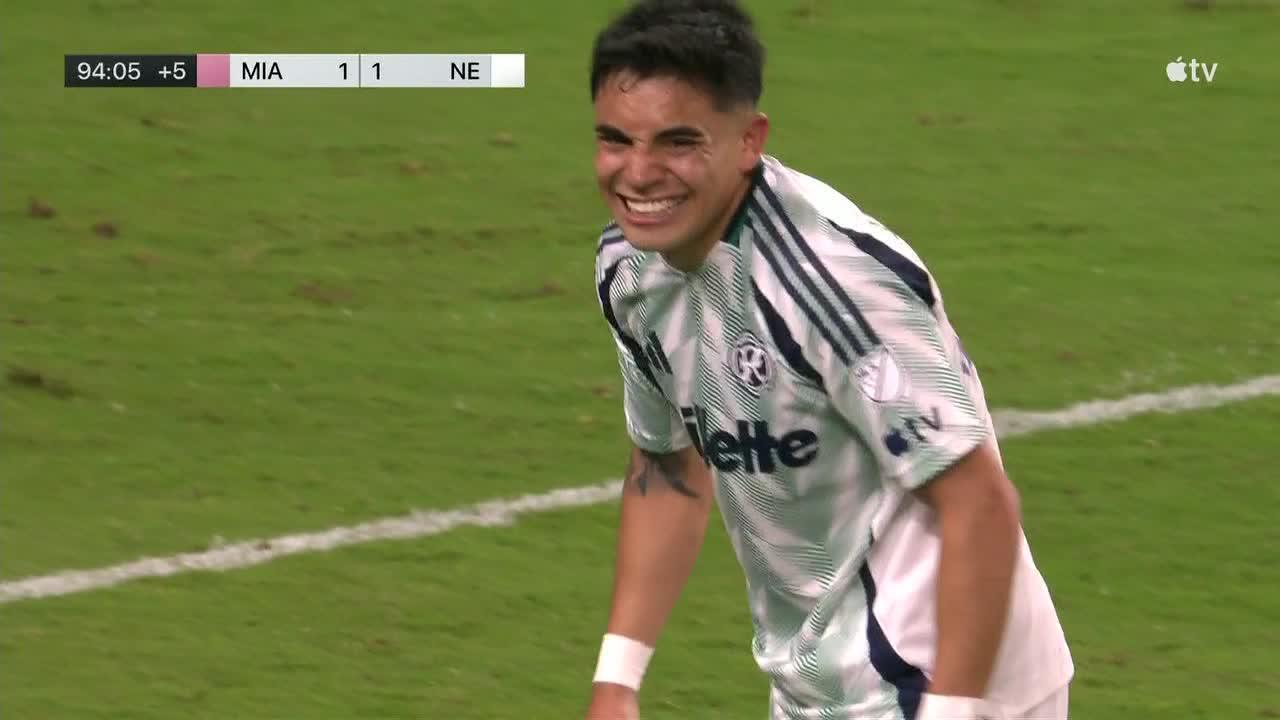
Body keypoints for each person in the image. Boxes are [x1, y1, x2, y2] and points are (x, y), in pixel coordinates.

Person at [584, 1, 1074, 718]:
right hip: (823, 684)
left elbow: (979, 502)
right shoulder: (630, 271)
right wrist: (617, 680)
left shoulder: (834, 281)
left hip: (940, 674)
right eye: (616, 140)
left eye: (678, 142)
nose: (639, 172)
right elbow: (670, 470)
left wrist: (953, 710)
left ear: (749, 141)